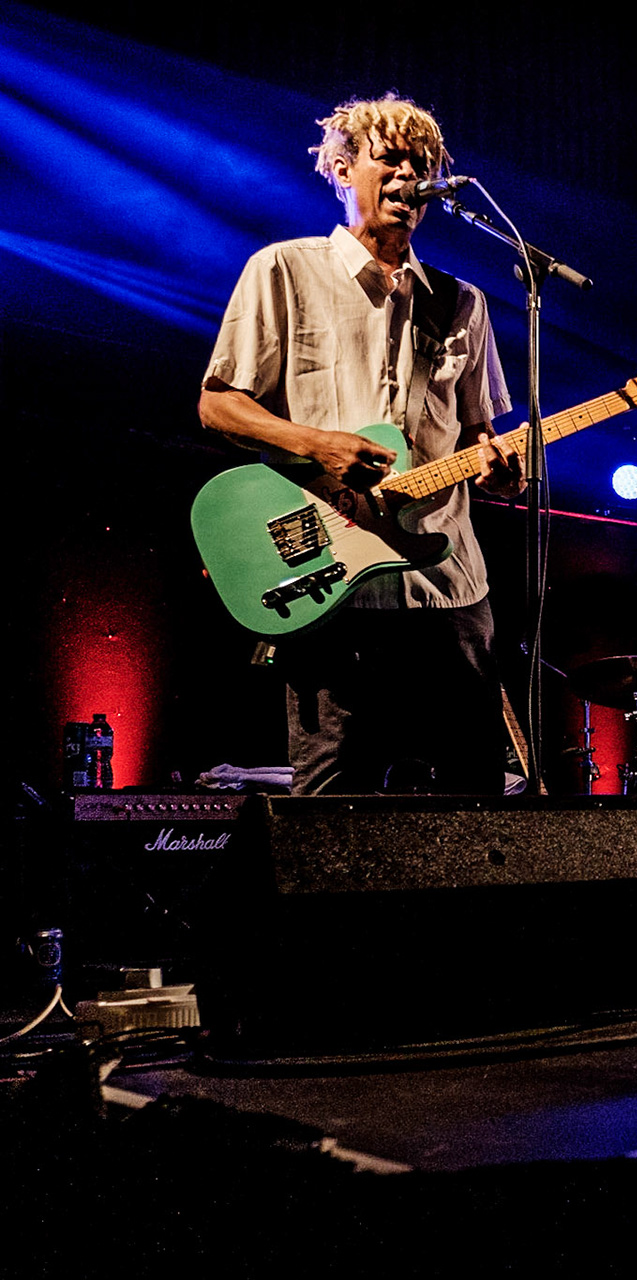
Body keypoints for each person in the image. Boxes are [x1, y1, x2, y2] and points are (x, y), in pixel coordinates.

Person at [199, 95, 521, 795]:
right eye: (392, 159)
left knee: (477, 794)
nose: (410, 175)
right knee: (332, 802)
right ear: (343, 170)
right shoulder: (282, 270)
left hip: (447, 583)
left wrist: (500, 470)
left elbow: (477, 434)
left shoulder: (463, 301)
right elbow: (218, 404)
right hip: (334, 582)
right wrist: (318, 443)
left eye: (423, 165)